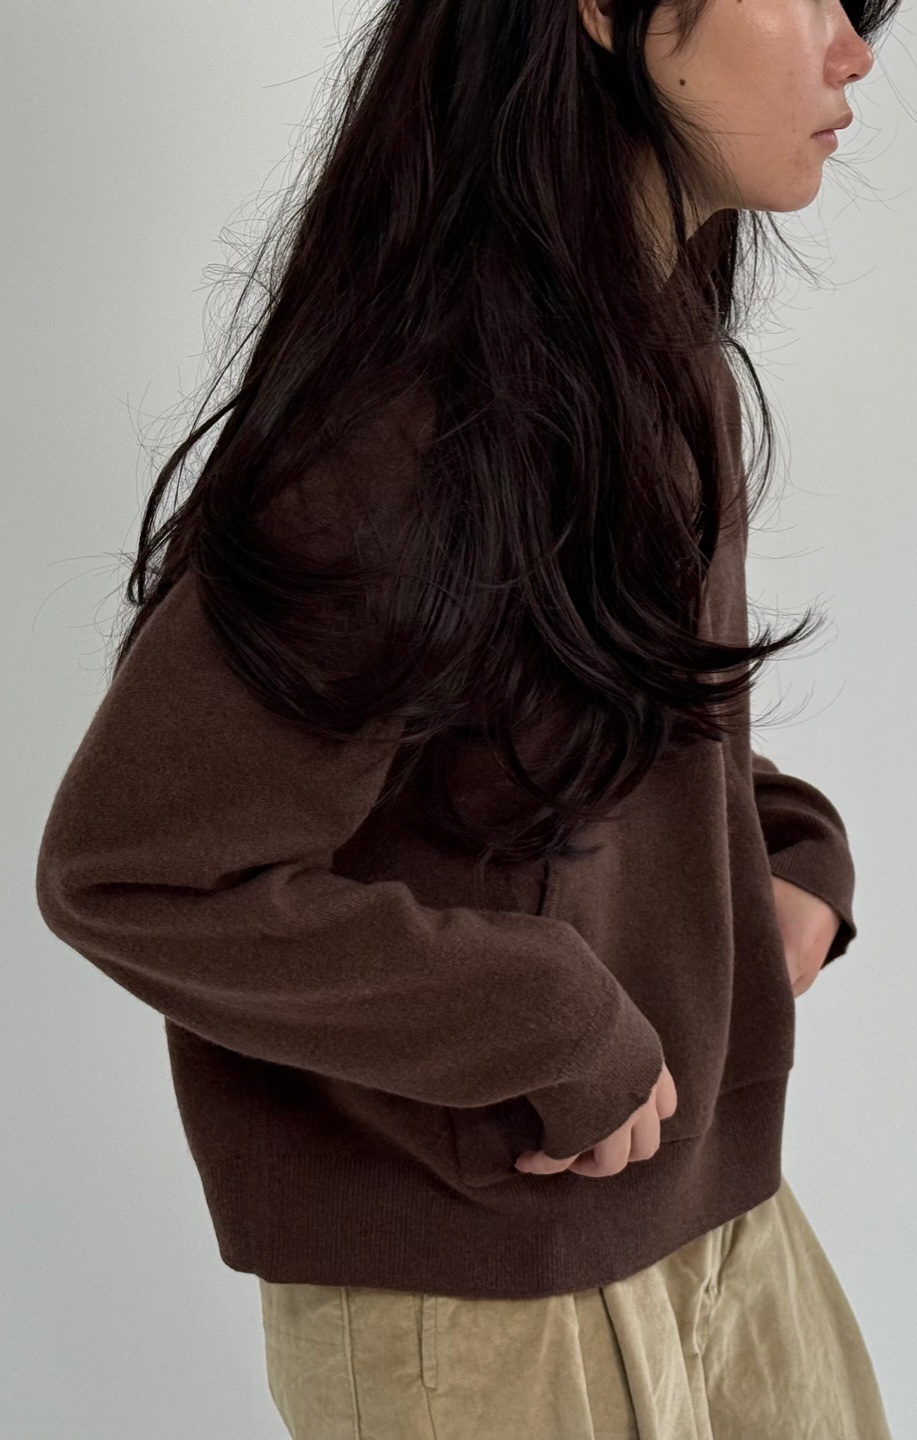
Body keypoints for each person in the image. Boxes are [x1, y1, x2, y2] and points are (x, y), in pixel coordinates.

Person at [35, 0, 897, 1434]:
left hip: (710, 1217)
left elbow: (551, 733)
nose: (855, 50)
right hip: (484, 1288)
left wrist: (781, 845)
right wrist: (546, 1024)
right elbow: (133, 870)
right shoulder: (412, 427)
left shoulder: (647, 356)